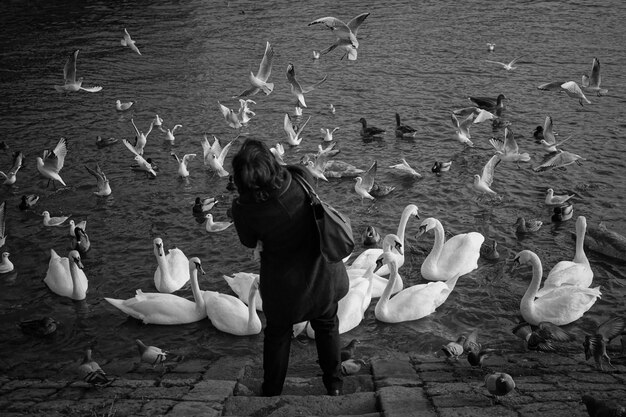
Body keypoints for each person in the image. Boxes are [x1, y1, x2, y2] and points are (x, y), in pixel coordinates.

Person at [231, 138, 349, 397]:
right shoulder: (300, 177)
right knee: (327, 324)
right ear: (273, 162)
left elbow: (248, 241)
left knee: (278, 334)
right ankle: (335, 386)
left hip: (284, 285)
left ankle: (272, 392)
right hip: (322, 274)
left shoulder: (244, 210)